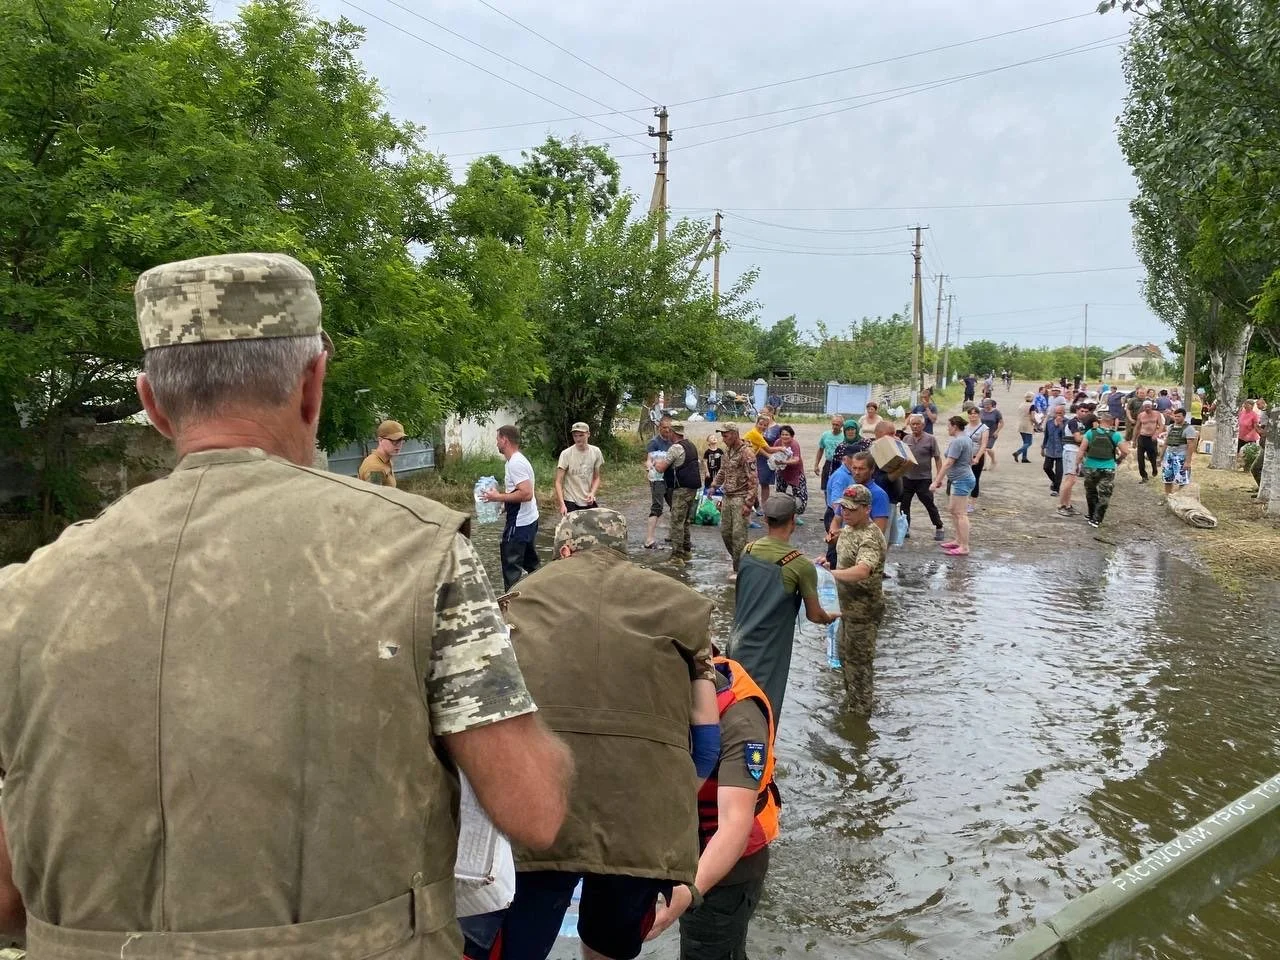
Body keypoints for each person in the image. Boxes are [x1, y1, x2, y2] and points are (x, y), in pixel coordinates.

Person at [0, 252, 572, 958]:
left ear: (151, 404)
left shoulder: (21, 597)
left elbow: (6, 895)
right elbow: (533, 808)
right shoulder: (415, 553)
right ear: (312, 384)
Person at [498, 509, 720, 960]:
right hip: (641, 816)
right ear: (623, 549)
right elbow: (708, 739)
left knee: (520, 940)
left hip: (537, 808)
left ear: (564, 549)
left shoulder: (514, 600)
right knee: (608, 944)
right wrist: (673, 795)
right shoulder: (683, 604)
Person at [645, 655, 779, 958]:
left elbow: (734, 823)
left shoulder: (740, 721)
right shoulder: (659, 690)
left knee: (707, 948)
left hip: (727, 868)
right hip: (683, 845)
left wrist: (688, 892)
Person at [728, 494, 840, 722]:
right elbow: (815, 614)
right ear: (793, 521)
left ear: (767, 521)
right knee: (763, 711)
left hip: (737, 642)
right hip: (767, 650)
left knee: (734, 704)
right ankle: (761, 756)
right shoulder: (799, 565)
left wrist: (809, 566)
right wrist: (831, 617)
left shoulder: (747, 550)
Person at [829, 484, 888, 716]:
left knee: (860, 665)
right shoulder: (849, 529)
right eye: (843, 507)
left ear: (867, 509)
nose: (846, 513)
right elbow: (846, 561)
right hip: (846, 611)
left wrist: (829, 575)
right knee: (845, 659)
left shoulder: (871, 537)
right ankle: (851, 704)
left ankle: (862, 713)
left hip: (864, 613)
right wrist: (828, 563)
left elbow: (863, 570)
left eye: (852, 509)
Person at [481, 424, 541, 590]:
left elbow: (527, 494)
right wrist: (503, 505)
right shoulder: (514, 461)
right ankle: (543, 593)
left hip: (519, 524)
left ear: (504, 440)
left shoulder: (515, 463)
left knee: (511, 569)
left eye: (497, 439)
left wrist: (497, 497)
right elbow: (517, 492)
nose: (496, 443)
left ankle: (511, 607)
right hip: (529, 520)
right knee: (532, 565)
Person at [710, 424, 758, 576]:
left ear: (735, 434)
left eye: (726, 436)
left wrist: (749, 504)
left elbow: (753, 480)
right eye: (722, 436)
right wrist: (714, 485)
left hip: (740, 497)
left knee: (738, 535)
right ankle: (742, 561)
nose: (723, 439)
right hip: (727, 496)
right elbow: (723, 470)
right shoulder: (728, 451)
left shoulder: (747, 453)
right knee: (725, 533)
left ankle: (739, 569)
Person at [653, 422, 703, 563]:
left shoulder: (675, 448)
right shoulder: (691, 445)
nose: (667, 435)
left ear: (673, 433)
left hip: (681, 489)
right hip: (693, 489)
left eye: (669, 432)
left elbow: (661, 468)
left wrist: (655, 463)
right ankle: (687, 551)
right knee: (685, 521)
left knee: (676, 522)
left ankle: (676, 556)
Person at [931, 415, 977, 557]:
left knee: (960, 513)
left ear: (955, 426)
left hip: (961, 479)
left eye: (949, 425)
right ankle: (958, 540)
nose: (947, 428)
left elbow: (948, 463)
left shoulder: (958, 442)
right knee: (953, 510)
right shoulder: (967, 439)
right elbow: (970, 460)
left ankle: (964, 546)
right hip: (961, 478)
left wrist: (937, 481)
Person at [1080, 411, 1130, 528]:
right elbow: (1126, 451)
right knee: (1105, 494)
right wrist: (1118, 460)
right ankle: (1097, 519)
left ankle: (1091, 514)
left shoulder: (1090, 433)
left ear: (1099, 421)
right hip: (1108, 467)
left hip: (1091, 466)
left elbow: (1082, 450)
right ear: (1112, 422)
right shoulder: (1115, 435)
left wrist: (1079, 463)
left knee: (1091, 492)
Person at [900, 413, 945, 541]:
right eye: (912, 424)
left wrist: (938, 478)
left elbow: (937, 458)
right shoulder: (906, 439)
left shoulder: (930, 439)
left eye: (917, 424)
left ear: (923, 425)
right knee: (904, 505)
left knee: (929, 503)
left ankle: (939, 526)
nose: (915, 426)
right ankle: (905, 528)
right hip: (907, 477)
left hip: (924, 478)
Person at [555, 420, 603, 514]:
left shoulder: (596, 451)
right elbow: (558, 481)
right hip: (571, 499)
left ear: (588, 434)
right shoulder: (566, 454)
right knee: (573, 527)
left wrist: (592, 493)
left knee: (591, 526)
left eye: (581, 435)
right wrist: (562, 504)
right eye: (575, 436)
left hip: (587, 499)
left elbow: (596, 478)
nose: (578, 439)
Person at [644, 416, 675, 549]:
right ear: (659, 428)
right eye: (664, 428)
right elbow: (649, 459)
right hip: (657, 478)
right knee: (657, 507)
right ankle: (649, 540)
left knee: (675, 505)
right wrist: (649, 466)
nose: (667, 430)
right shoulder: (654, 442)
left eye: (669, 428)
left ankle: (672, 535)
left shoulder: (673, 442)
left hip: (670, 478)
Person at [871, 419, 904, 545]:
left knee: (890, 539)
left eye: (894, 434)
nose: (894, 437)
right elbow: (883, 479)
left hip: (893, 500)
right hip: (884, 500)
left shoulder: (891, 448)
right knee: (881, 539)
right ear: (879, 434)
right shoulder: (877, 450)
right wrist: (904, 467)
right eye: (890, 434)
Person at [744, 415, 783, 510]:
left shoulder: (758, 433)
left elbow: (759, 448)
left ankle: (753, 508)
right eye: (760, 424)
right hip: (744, 462)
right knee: (750, 486)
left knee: (752, 485)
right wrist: (782, 448)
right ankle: (748, 509)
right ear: (756, 423)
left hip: (749, 461)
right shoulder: (755, 434)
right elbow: (769, 449)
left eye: (765, 425)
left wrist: (769, 456)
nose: (762, 426)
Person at [1057, 404, 1087, 518]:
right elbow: (1078, 438)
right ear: (1077, 411)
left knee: (1072, 480)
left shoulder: (1081, 423)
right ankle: (1061, 505)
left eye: (1086, 411)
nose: (1084, 413)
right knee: (1069, 480)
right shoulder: (1073, 422)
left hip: (1076, 451)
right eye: (1082, 411)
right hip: (1071, 451)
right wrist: (1089, 436)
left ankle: (1067, 504)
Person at [1160, 407, 1199, 494]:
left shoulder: (1189, 429)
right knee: (1167, 478)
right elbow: (1166, 442)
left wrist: (1187, 462)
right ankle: (1168, 496)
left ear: (1184, 417)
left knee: (1182, 479)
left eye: (1179, 416)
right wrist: (1161, 457)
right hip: (1169, 454)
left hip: (1181, 456)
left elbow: (1191, 446)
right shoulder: (1170, 427)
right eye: (1175, 416)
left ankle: (1181, 497)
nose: (1177, 418)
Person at [773, 424, 808, 518]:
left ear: (792, 436)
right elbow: (773, 454)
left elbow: (797, 459)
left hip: (795, 472)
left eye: (787, 434)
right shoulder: (777, 442)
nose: (784, 436)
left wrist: (784, 461)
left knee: (800, 495)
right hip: (781, 472)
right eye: (782, 434)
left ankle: (796, 516)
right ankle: (780, 514)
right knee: (780, 494)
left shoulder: (794, 444)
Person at [358, 419, 406, 485]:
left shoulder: (385, 461)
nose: (398, 445)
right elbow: (375, 494)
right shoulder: (375, 467)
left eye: (401, 440)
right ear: (380, 440)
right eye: (394, 441)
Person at [961, 406, 990, 511]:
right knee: (963, 479)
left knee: (974, 479)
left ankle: (972, 503)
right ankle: (963, 500)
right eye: (970, 413)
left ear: (978, 415)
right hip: (964, 456)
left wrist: (977, 457)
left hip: (976, 456)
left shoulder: (984, 428)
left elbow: (984, 444)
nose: (972, 415)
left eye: (975, 413)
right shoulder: (964, 427)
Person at [813, 413, 846, 493]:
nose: (834, 427)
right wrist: (816, 465)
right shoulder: (826, 435)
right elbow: (821, 450)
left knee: (839, 487)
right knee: (826, 488)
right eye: (833, 424)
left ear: (842, 425)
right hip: (828, 463)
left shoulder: (844, 436)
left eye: (837, 425)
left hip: (841, 464)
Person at [1133, 400, 1163, 484]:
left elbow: (1161, 425)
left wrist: (1156, 434)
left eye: (1148, 407)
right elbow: (1137, 427)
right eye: (1145, 407)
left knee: (1152, 457)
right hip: (1142, 437)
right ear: (1143, 407)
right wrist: (1134, 440)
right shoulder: (1141, 415)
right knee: (1140, 458)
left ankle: (1154, 467)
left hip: (1152, 438)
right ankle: (1144, 476)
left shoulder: (1157, 414)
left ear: (1152, 406)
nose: (1147, 408)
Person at [1041, 405, 1067, 496]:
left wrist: (1060, 425)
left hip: (1061, 450)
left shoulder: (1067, 423)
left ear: (1064, 413)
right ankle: (1055, 481)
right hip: (1050, 449)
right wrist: (1043, 447)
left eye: (1060, 413)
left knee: (1059, 471)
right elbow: (1046, 435)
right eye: (1057, 413)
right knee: (1046, 467)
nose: (1058, 415)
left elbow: (1065, 435)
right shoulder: (1049, 422)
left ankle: (1056, 489)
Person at [980, 398, 1003, 470]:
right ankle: (984, 465)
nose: (986, 406)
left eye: (988, 404)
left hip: (992, 433)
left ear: (991, 404)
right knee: (983, 449)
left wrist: (997, 431)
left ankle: (993, 460)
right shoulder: (981, 411)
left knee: (987, 448)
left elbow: (1001, 423)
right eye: (985, 404)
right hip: (982, 432)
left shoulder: (996, 412)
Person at [1013, 392, 1035, 463]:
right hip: (1028, 424)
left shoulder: (1021, 404)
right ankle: (1018, 452)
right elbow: (1032, 417)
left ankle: (1024, 458)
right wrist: (1037, 423)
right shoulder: (1032, 406)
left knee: (1025, 442)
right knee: (1029, 442)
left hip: (1020, 424)